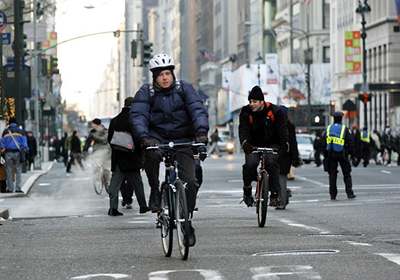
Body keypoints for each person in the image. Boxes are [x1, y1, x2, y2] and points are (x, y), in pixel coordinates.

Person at [130, 53, 209, 246]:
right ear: (154, 77)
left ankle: (187, 220)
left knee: (191, 180)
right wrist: (145, 137)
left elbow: (197, 110)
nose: (164, 77)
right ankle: (156, 191)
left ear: (172, 74)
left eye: (167, 73)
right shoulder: (146, 92)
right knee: (151, 155)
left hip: (183, 140)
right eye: (160, 74)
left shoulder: (185, 89)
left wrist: (200, 133)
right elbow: (138, 116)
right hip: (157, 139)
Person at [238, 85, 289, 207]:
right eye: (250, 101)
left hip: (271, 143)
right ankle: (247, 190)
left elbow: (282, 130)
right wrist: (245, 143)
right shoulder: (246, 112)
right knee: (250, 164)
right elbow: (243, 130)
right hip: (253, 144)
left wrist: (284, 145)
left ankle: (274, 194)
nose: (251, 104)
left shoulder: (275, 111)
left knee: (271, 163)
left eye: (254, 101)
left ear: (262, 102)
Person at [107, 97, 149, 216]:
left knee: (114, 185)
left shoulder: (114, 120)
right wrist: (142, 157)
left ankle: (113, 208)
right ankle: (143, 206)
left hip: (118, 158)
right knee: (137, 184)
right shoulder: (136, 120)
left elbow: (110, 139)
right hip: (133, 158)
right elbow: (140, 139)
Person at [322, 112, 356, 200]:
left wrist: (325, 155)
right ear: (341, 118)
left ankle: (333, 195)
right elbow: (351, 142)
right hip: (342, 153)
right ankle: (349, 193)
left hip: (331, 153)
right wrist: (351, 154)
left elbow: (323, 142)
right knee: (347, 174)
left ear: (333, 118)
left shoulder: (328, 128)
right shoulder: (344, 129)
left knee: (332, 175)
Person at [276, 106, 301, 210]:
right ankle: (285, 194)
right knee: (277, 179)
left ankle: (282, 202)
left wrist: (295, 158)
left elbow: (293, 143)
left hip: (284, 156)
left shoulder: (288, 126)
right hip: (276, 155)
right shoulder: (276, 125)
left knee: (281, 178)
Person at [0, 117, 29, 193]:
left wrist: (3, 148)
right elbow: (24, 143)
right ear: (16, 123)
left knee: (9, 171)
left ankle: (10, 188)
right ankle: (18, 188)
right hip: (18, 153)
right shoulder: (21, 131)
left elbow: (2, 143)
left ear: (9, 123)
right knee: (18, 170)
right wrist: (25, 149)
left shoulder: (5, 131)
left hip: (8, 153)